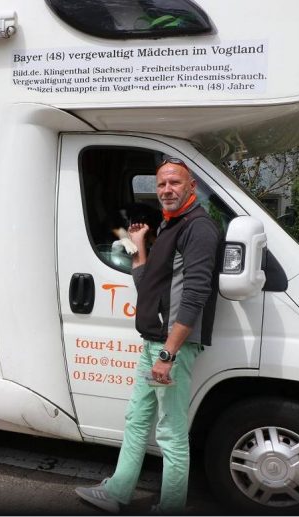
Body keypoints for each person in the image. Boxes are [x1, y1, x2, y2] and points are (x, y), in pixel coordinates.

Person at [75, 157, 221, 514]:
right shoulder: (170, 225)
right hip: (153, 343)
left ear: (191, 187)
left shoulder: (198, 227)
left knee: (171, 432)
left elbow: (196, 295)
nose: (167, 189)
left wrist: (168, 354)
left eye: (175, 182)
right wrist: (139, 244)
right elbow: (147, 285)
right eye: (161, 184)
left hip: (170, 348)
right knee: (137, 419)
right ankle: (117, 492)